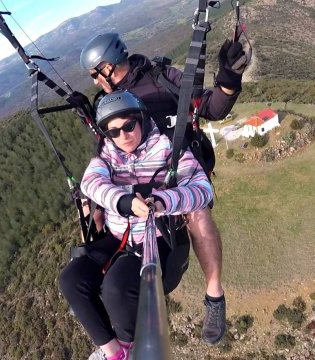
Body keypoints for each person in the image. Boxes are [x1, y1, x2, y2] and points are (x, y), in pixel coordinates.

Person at [79, 32, 248, 344]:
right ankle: (117, 282)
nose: (93, 82)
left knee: (197, 215)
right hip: (134, 175)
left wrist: (230, 77)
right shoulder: (107, 102)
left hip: (178, 169)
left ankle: (214, 294)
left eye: (95, 73)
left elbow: (210, 106)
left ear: (109, 65)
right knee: (92, 213)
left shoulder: (162, 78)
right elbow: (107, 151)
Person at [59, 90, 214, 360]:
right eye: (114, 132)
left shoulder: (168, 147)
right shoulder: (108, 154)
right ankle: (114, 353)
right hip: (120, 235)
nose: (123, 136)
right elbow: (91, 183)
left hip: (159, 238)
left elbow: (202, 190)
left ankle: (129, 348)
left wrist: (163, 201)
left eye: (129, 126)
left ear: (141, 119)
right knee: (71, 279)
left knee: (116, 288)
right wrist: (123, 201)